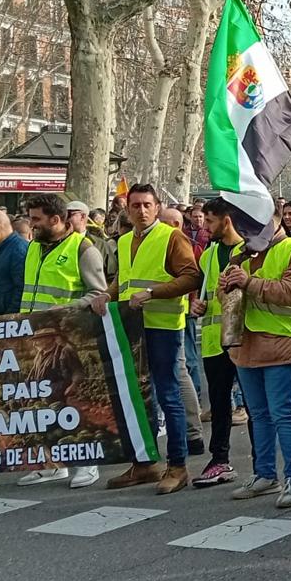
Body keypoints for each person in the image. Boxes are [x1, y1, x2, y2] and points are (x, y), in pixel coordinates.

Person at [91, 183, 201, 495]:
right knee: (139, 396)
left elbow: (191, 276)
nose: (141, 210)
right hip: (132, 326)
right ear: (127, 209)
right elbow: (123, 280)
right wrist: (105, 296)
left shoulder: (171, 236)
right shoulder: (124, 241)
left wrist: (152, 293)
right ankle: (144, 463)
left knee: (168, 394)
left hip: (163, 326)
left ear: (157, 206)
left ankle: (177, 465)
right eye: (135, 205)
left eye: (146, 205)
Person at [16, 194, 109, 489]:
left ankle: (87, 463)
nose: (31, 225)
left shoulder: (83, 249)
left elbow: (98, 293)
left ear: (56, 220)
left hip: (69, 339)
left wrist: (66, 310)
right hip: (35, 339)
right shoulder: (34, 248)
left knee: (74, 401)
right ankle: (51, 464)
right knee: (40, 402)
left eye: (37, 220)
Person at [225, 212, 291, 509]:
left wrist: (248, 282)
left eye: (255, 225)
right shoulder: (241, 254)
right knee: (258, 415)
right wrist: (223, 286)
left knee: (282, 414)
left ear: (275, 223)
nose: (248, 232)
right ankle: (264, 474)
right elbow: (223, 294)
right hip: (245, 346)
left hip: (280, 344)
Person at [192, 198, 251, 488]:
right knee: (219, 403)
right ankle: (219, 460)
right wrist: (196, 306)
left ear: (226, 221)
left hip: (245, 339)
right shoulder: (208, 254)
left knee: (254, 405)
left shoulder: (250, 251)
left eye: (210, 221)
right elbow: (201, 293)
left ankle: (261, 464)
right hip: (215, 342)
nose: (204, 226)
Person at [158, 205, 206, 454]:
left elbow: (192, 276)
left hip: (174, 318)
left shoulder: (180, 242)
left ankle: (192, 433)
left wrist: (152, 293)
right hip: (142, 320)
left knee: (181, 370)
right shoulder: (137, 241)